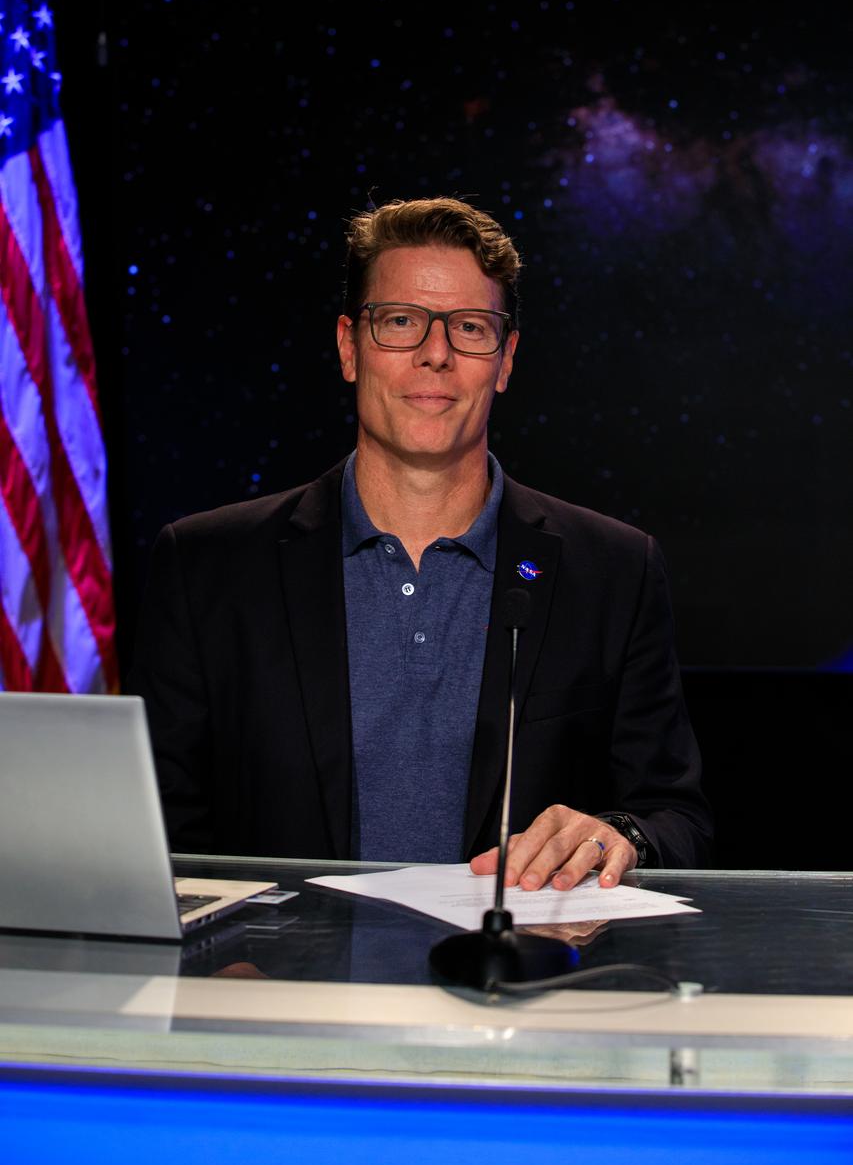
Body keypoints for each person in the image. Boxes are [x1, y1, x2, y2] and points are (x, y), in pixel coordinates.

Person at [129, 198, 712, 891]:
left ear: (504, 361)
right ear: (349, 347)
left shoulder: (613, 571)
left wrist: (621, 837)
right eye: (401, 321)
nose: (435, 354)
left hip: (521, 986)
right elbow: (152, 824)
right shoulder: (206, 567)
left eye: (469, 327)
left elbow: (675, 816)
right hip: (282, 988)